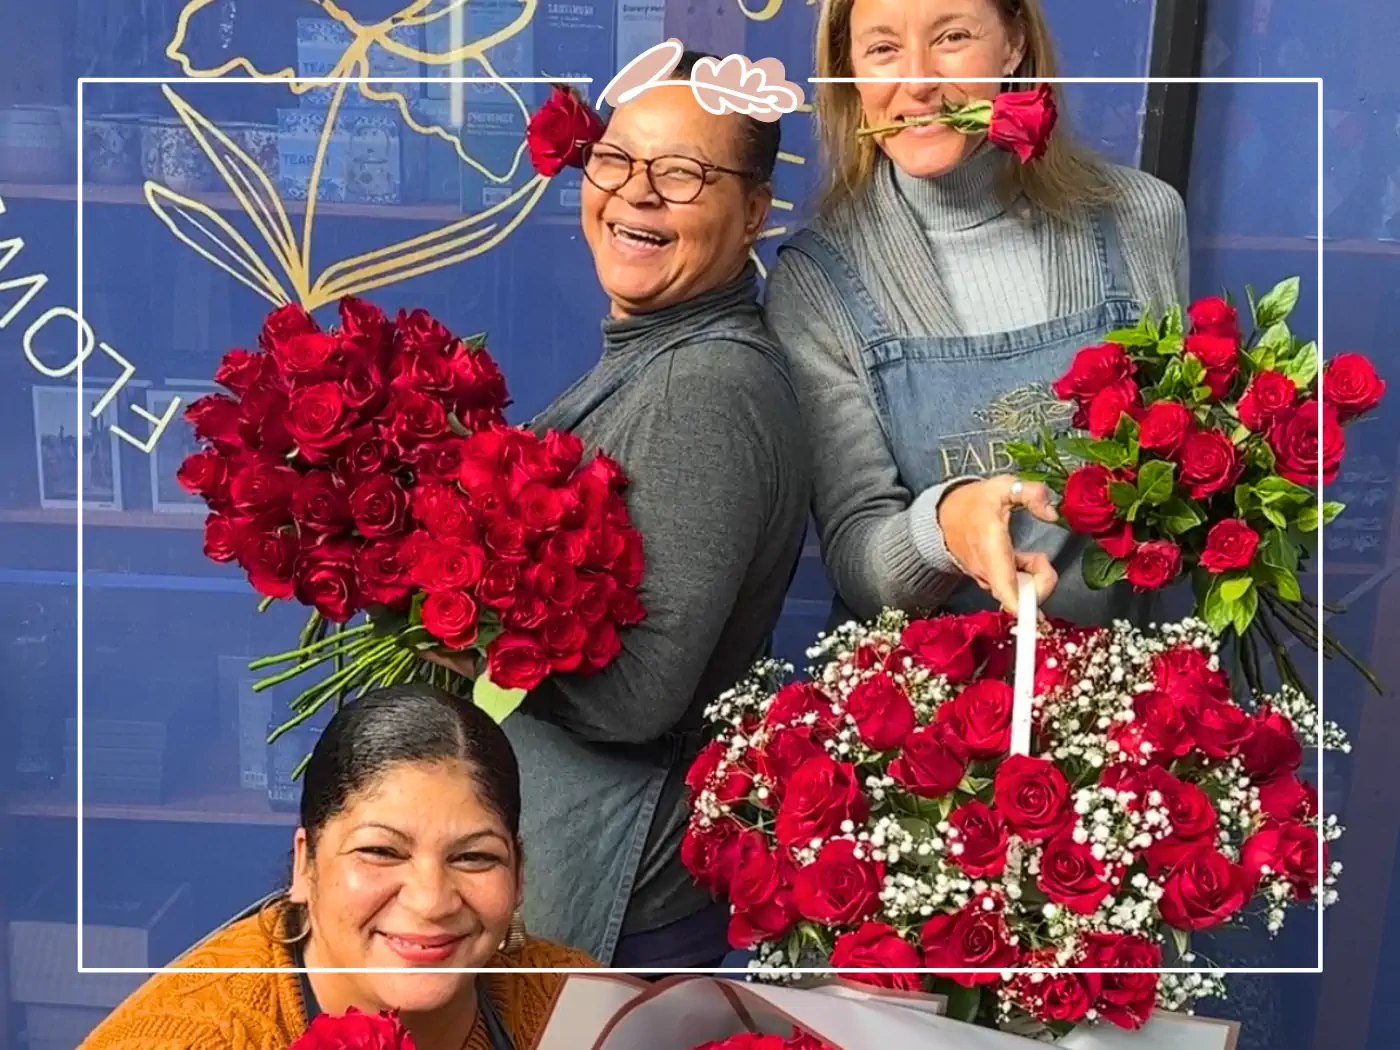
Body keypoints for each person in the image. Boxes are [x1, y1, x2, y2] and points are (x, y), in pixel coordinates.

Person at [431, 50, 809, 970]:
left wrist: (449, 614)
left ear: (753, 210)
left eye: (683, 174)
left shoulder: (706, 385)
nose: (637, 195)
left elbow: (639, 698)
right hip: (580, 849)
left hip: (614, 874)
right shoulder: (656, 351)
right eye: (615, 160)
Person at [765, 0, 1188, 626]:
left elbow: (1177, 487)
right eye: (883, 49)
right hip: (925, 706)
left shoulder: (1142, 220)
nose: (919, 84)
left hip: (1127, 693)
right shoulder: (817, 281)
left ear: (1013, 43)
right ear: (850, 69)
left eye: (953, 36)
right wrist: (943, 528)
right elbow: (858, 559)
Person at [78, 685, 596, 1050]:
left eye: (474, 857)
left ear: (519, 874)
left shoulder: (584, 1008)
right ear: (306, 866)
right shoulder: (191, 1037)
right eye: (381, 851)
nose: (432, 900)